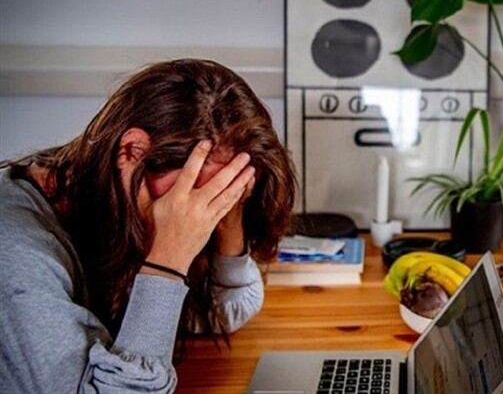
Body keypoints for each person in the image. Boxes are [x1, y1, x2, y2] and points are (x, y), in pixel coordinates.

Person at [0, 59, 297, 393]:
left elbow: (223, 312)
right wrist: (166, 261)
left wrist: (230, 216)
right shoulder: (17, 258)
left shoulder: (100, 196)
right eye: (194, 194)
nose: (197, 215)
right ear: (132, 151)